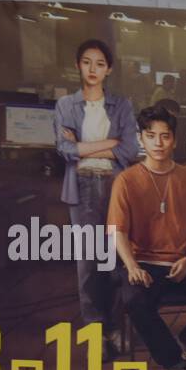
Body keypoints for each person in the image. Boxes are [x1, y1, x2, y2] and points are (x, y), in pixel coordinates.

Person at [105, 104, 186, 370]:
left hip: (182, 262)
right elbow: (117, 231)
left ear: (174, 140)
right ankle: (176, 365)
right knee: (134, 299)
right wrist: (131, 266)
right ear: (141, 139)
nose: (158, 143)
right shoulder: (126, 180)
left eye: (165, 136)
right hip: (144, 264)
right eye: (151, 136)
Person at [53, 38, 137, 351]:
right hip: (83, 186)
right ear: (78, 65)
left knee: (115, 259)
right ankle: (94, 331)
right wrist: (109, 142)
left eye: (100, 64)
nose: (93, 69)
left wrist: (85, 147)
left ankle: (115, 327)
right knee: (88, 262)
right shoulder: (66, 106)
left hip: (114, 186)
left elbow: (129, 149)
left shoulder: (122, 106)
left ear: (108, 69)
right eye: (87, 62)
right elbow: (65, 150)